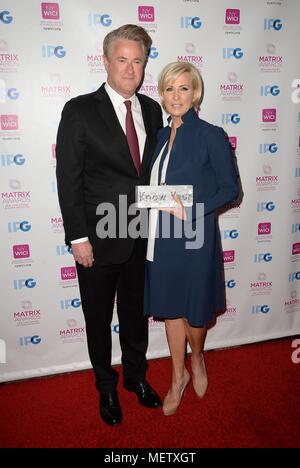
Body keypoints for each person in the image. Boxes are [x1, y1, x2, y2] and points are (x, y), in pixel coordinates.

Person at [56, 24, 163, 425]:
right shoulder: (80, 110)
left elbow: (151, 177)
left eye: (138, 61)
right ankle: (105, 386)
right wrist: (78, 237)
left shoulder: (152, 110)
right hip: (97, 242)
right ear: (105, 62)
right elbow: (69, 178)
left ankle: (135, 377)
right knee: (98, 319)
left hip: (140, 237)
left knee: (135, 316)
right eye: (122, 60)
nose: (130, 69)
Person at [144, 62, 239, 416]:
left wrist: (192, 209)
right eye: (170, 89)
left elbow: (231, 189)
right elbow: (155, 188)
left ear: (194, 92)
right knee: (170, 308)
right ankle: (177, 375)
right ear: (163, 94)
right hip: (162, 236)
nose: (176, 96)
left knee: (194, 313)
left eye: (184, 88)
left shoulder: (211, 134)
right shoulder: (158, 136)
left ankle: (197, 358)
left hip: (196, 236)